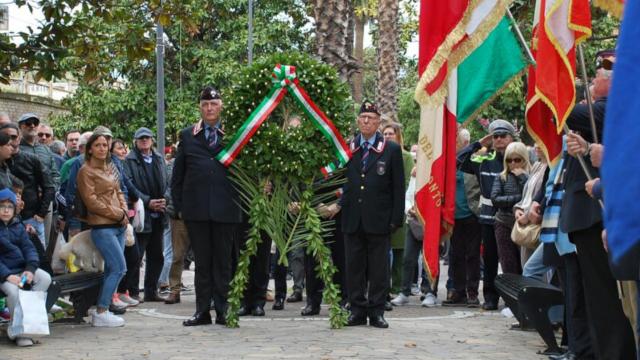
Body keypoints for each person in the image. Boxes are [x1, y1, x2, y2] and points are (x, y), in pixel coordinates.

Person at [562, 66, 636, 359]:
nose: (592, 81)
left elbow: (563, 109)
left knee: (609, 301)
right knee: (594, 300)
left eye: (599, 77)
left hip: (600, 212)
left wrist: (546, 71)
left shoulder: (610, 108)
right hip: (591, 215)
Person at [326, 101, 405, 328]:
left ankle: (377, 311)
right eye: (363, 118)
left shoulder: (390, 149)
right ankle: (357, 309)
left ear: (379, 122)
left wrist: (395, 219)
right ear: (358, 121)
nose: (367, 121)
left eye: (371, 118)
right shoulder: (349, 148)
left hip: (379, 219)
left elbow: (398, 187)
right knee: (354, 268)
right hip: (352, 218)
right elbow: (345, 182)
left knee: (379, 270)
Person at [172, 86, 242, 326]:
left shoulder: (234, 134)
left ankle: (223, 310)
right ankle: (202, 311)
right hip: (197, 211)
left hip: (226, 209)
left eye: (214, 104)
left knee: (223, 263)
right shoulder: (188, 135)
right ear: (200, 107)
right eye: (205, 105)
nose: (210, 108)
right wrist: (179, 207)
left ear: (221, 106)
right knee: (202, 263)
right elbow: (178, 176)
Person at [457, 119, 516, 310]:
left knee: (512, 260)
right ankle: (491, 298)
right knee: (490, 259)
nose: (499, 140)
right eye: (495, 136)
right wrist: (479, 144)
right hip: (489, 218)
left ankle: (513, 298)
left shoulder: (519, 159)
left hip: (514, 217)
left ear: (511, 138)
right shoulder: (483, 160)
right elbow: (459, 160)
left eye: (503, 136)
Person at [76, 132, 129, 327]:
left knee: (113, 269)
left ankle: (102, 310)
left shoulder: (109, 167)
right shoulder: (85, 171)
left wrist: (125, 211)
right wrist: (118, 214)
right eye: (97, 145)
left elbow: (119, 190)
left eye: (105, 145)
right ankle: (101, 310)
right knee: (119, 267)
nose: (102, 148)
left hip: (119, 225)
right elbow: (92, 202)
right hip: (103, 227)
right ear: (90, 148)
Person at [0, 188, 52, 347]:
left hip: (21, 270)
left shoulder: (18, 226)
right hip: (4, 275)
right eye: (2, 206)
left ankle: (30, 327)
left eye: (10, 207)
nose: (6, 210)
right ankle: (19, 333)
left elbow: (29, 249)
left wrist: (30, 269)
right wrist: (8, 276)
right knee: (14, 291)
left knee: (44, 278)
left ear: (15, 209)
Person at [124, 127, 168, 302]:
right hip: (141, 215)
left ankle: (151, 291)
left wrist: (165, 199)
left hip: (160, 213)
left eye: (147, 138)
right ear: (135, 141)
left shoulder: (159, 159)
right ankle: (133, 291)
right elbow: (130, 185)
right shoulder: (130, 160)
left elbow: (169, 181)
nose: (144, 141)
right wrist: (147, 201)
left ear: (152, 140)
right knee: (136, 256)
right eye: (141, 138)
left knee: (157, 256)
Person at [440, 129, 482, 307]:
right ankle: (458, 291)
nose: (453, 145)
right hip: (453, 217)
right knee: (455, 255)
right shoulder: (447, 162)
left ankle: (472, 292)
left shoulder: (474, 161)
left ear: (465, 144)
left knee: (472, 255)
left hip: (471, 215)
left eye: (457, 142)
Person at [0, 123, 55, 248]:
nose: (11, 142)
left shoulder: (32, 159)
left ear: (19, 138)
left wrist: (41, 214)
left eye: (13, 137)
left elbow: (49, 186)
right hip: (7, 223)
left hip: (31, 219)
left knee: (38, 260)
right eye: (6, 138)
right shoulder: (3, 165)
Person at [381, 123, 414, 307]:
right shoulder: (380, 153)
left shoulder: (406, 156)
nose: (387, 136)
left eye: (391, 134)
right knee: (384, 250)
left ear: (398, 136)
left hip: (400, 207)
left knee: (400, 250)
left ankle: (398, 286)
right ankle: (384, 286)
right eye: (384, 133)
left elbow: (407, 180)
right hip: (383, 207)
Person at [490, 141, 530, 275]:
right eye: (509, 160)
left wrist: (523, 177)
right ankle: (511, 295)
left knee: (526, 263)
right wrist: (518, 199)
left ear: (524, 159)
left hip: (524, 224)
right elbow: (495, 199)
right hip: (503, 223)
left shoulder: (530, 176)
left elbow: (532, 195)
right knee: (508, 264)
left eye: (517, 159)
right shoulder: (501, 177)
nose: (513, 163)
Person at [17, 114, 60, 189]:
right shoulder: (15, 149)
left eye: (35, 123)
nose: (32, 125)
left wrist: (51, 191)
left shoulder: (46, 150)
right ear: (20, 127)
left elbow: (55, 175)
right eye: (28, 123)